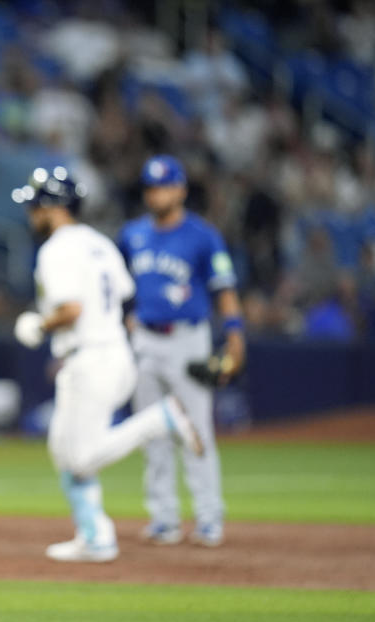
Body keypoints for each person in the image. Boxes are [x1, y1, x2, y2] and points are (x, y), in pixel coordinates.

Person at [11, 166, 204, 563]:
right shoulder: (98, 242)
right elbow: (124, 293)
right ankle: (95, 535)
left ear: (51, 205)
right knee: (62, 448)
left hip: (92, 358)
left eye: (35, 205)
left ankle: (161, 419)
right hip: (109, 352)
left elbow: (72, 309)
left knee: (80, 458)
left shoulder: (56, 249)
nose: (31, 213)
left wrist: (40, 325)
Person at [117, 155, 246, 547]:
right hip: (145, 340)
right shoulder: (132, 234)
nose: (158, 194)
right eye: (152, 187)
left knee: (195, 429)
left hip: (188, 339)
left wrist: (235, 335)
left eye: (166, 186)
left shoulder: (203, 235)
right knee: (150, 431)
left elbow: (224, 290)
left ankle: (208, 517)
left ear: (182, 189)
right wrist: (124, 316)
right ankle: (164, 518)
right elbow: (120, 287)